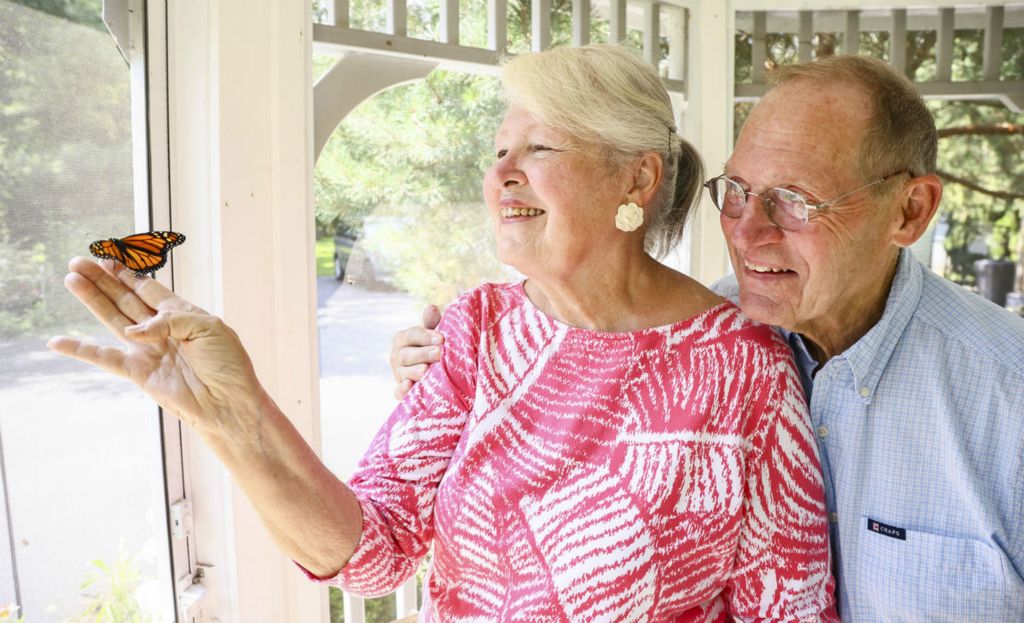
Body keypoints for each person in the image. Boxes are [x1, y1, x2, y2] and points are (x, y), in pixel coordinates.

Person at [49, 44, 838, 621]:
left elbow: (789, 607)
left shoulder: (747, 369)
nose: (500, 176)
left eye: (538, 148)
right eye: (497, 153)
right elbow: (371, 550)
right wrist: (233, 417)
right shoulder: (479, 329)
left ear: (637, 177)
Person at [392, 54, 1024, 621]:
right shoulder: (700, 345)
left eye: (794, 201)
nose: (748, 232)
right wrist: (438, 381)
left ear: (910, 211)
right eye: (739, 192)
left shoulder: (1008, 397)